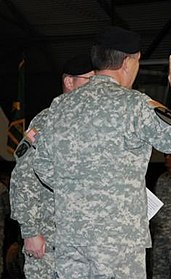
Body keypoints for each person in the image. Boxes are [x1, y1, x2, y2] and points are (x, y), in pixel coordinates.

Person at [32, 26, 171, 279]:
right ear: (128, 62)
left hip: (71, 236)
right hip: (118, 240)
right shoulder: (135, 104)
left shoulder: (60, 106)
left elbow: (41, 163)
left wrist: (77, 190)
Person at [9, 53, 94, 279]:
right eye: (89, 81)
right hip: (49, 241)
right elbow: (23, 177)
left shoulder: (92, 124)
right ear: (69, 82)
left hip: (85, 242)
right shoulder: (48, 121)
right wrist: (30, 232)